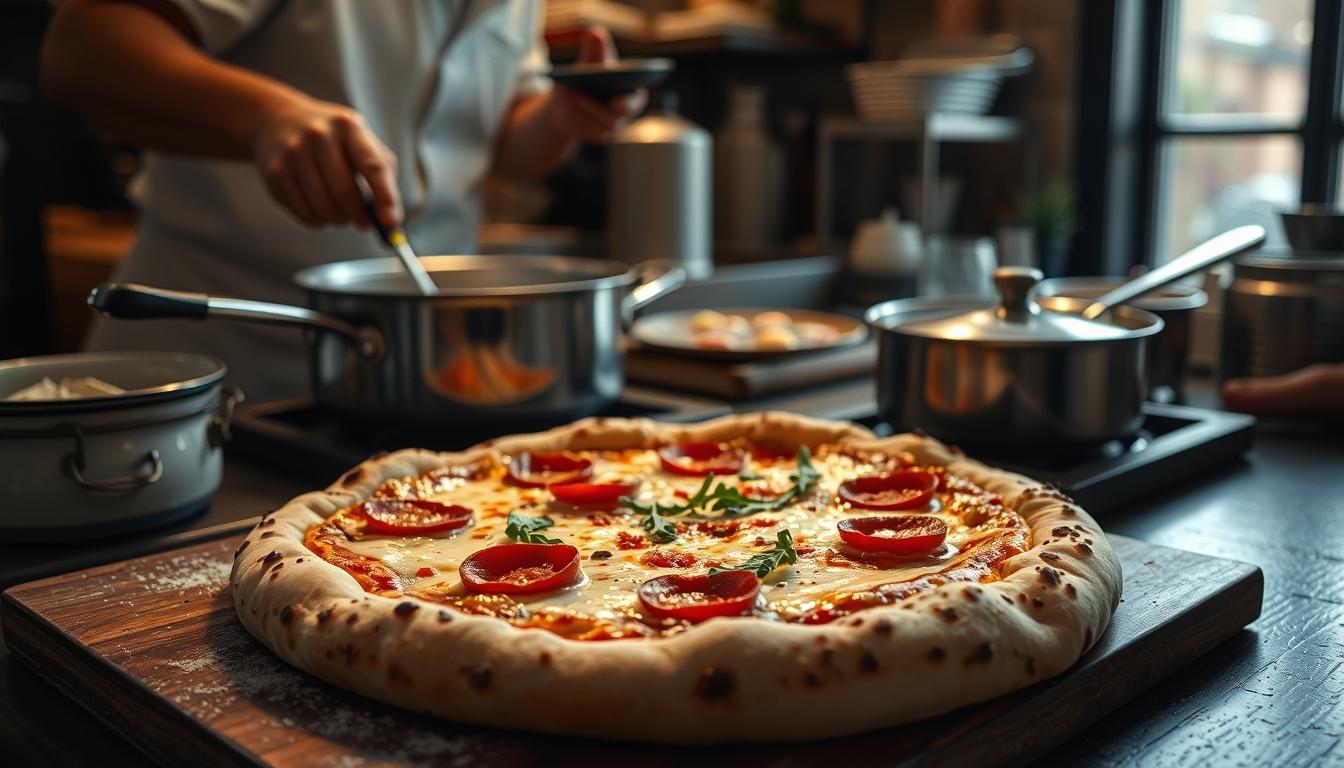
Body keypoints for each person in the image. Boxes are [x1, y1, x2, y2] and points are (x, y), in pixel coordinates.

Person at [42, 0, 644, 400]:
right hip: (218, 352)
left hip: (412, 369)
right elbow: (81, 48)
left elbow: (503, 140)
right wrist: (267, 117)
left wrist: (564, 117)